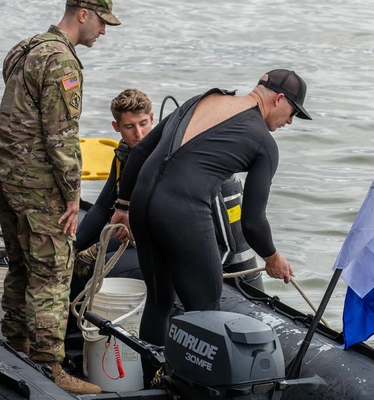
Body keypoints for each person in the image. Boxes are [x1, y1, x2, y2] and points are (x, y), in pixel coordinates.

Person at [111, 69, 311, 350]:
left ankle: (150, 377)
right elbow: (252, 222)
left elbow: (142, 150)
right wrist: (272, 257)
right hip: (182, 211)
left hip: (142, 202)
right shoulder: (264, 144)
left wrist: (123, 206)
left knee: (159, 300)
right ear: (279, 99)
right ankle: (191, 389)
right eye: (293, 112)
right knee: (206, 309)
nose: (290, 121)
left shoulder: (203, 99)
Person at [0, 0, 120, 395]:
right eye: (102, 22)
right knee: (52, 274)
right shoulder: (63, 61)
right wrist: (70, 194)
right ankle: (51, 368)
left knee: (20, 266)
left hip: (6, 175)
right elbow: (61, 136)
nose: (103, 31)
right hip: (38, 185)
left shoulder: (26, 47)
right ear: (83, 14)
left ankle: (15, 344)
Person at [75, 88, 154, 253]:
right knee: (72, 257)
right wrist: (72, 246)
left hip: (153, 240)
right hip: (124, 230)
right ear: (116, 126)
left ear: (152, 118)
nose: (138, 134)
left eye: (143, 123)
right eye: (129, 126)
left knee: (90, 263)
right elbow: (102, 207)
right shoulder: (122, 156)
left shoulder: (166, 158)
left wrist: (96, 250)